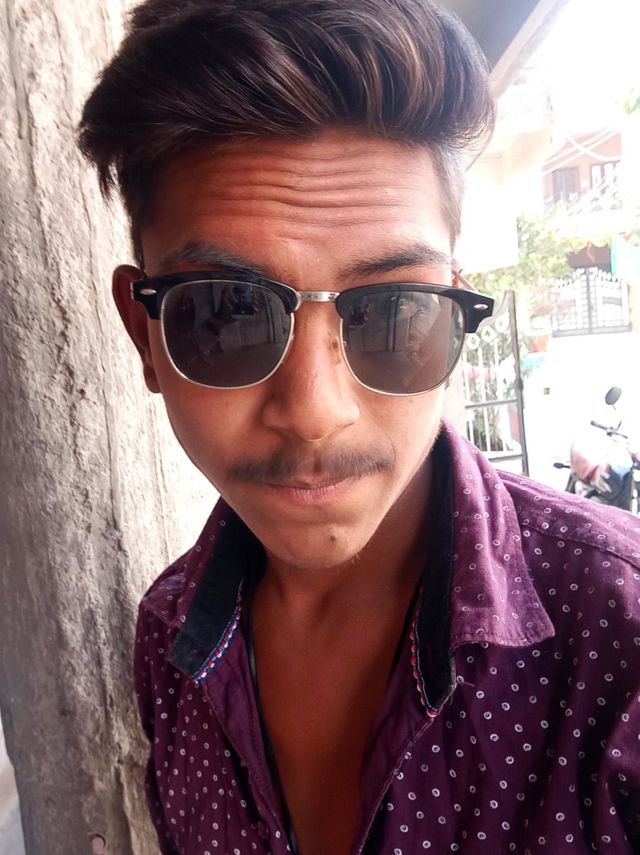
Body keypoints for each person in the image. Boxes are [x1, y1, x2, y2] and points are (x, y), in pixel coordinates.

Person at [78, 1, 640, 852]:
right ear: (144, 335)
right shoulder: (169, 637)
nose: (314, 411)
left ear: (453, 315)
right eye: (226, 312)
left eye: (392, 310)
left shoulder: (620, 647)